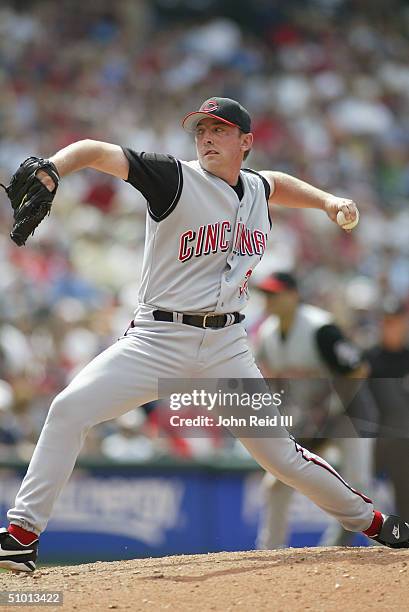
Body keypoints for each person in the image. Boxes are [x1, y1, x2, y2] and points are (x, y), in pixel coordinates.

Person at [0, 97, 407, 572]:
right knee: (69, 410)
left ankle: (377, 524)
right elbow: (95, 149)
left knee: (283, 458)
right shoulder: (174, 177)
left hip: (227, 348)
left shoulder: (255, 188)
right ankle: (22, 536)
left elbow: (278, 184)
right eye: (201, 131)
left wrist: (328, 201)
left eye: (219, 129)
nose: (207, 137)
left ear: (246, 141)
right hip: (157, 340)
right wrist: (54, 167)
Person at [253, 272, 376, 549]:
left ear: (294, 295)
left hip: (348, 413)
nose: (269, 300)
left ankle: (385, 552)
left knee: (359, 484)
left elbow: (358, 368)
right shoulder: (266, 333)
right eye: (266, 294)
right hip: (309, 419)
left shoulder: (320, 327)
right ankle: (271, 551)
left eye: (276, 293)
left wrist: (331, 403)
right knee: (276, 482)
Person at [365, 297, 409, 518]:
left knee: (405, 502)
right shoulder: (369, 358)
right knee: (355, 497)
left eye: (395, 321)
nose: (390, 326)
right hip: (372, 440)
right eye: (386, 321)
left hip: (402, 443)